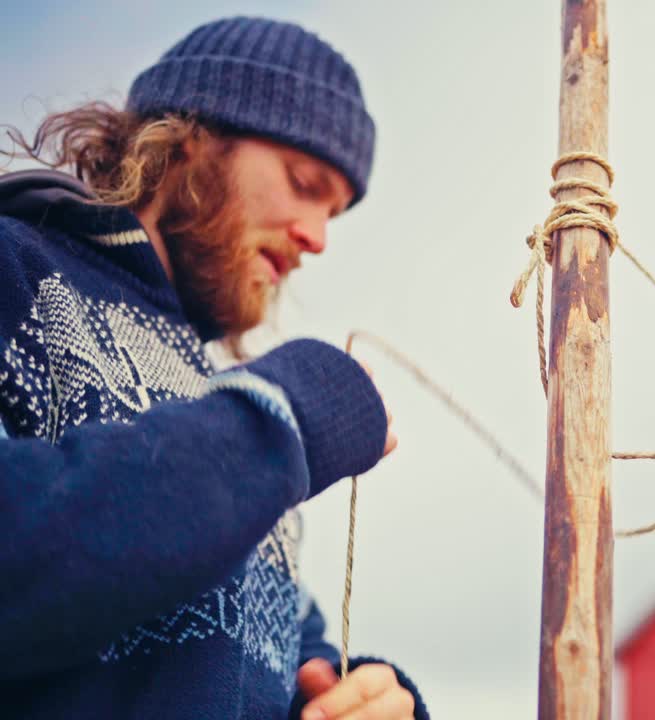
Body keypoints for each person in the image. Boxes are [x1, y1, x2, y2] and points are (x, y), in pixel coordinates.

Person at [0, 16, 428, 720]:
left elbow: (288, 664)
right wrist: (279, 426)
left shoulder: (221, 401)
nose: (318, 238)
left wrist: (370, 699)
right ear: (188, 140)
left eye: (335, 214)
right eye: (303, 182)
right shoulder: (17, 275)